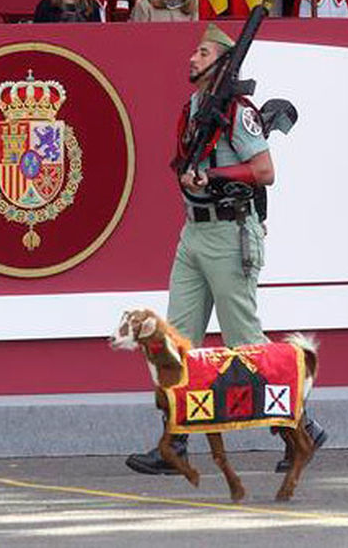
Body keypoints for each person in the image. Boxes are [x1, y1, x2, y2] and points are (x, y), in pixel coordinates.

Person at [125, 24, 325, 477]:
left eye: (202, 53)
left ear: (221, 63)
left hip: (230, 234)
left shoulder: (238, 111)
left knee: (247, 346)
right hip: (193, 234)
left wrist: (214, 178)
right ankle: (174, 443)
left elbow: (264, 170)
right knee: (174, 342)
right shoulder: (195, 107)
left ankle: (303, 430)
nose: (192, 58)